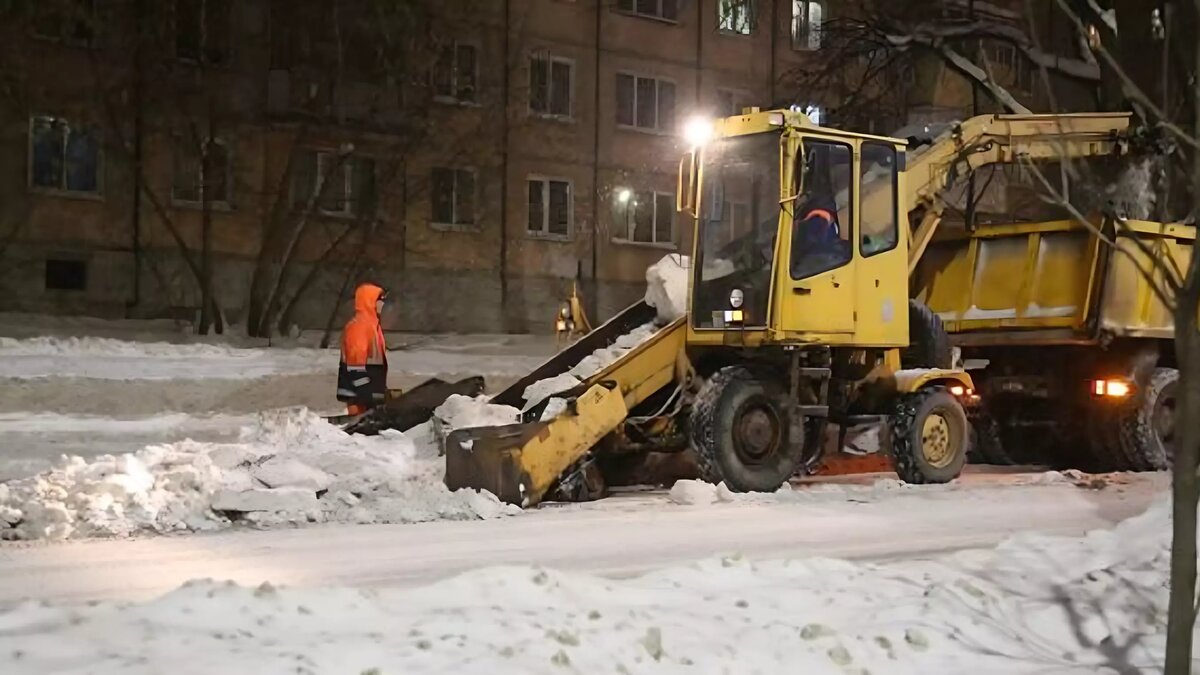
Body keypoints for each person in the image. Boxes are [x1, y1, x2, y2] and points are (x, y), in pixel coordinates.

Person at [336, 282, 389, 416]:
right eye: (380, 300)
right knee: (358, 428)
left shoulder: (372, 326)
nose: (382, 304)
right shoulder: (360, 326)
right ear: (370, 301)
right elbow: (355, 361)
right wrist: (365, 389)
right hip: (359, 393)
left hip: (367, 391)